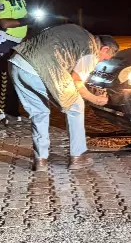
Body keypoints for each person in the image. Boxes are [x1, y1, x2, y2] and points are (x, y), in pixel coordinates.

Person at [7, 24, 117, 172]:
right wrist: (96, 99)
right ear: (105, 49)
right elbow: (77, 80)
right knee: (76, 106)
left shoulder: (80, 32)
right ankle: (78, 157)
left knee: (39, 112)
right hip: (39, 68)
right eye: (104, 58)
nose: (101, 61)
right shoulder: (91, 49)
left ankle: (40, 160)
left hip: (17, 62)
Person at [0, 0, 30, 126]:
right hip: (3, 44)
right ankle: (2, 114)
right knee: (4, 79)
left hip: (18, 44)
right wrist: (27, 20)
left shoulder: (21, 1)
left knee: (17, 78)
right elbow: (5, 23)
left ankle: (14, 112)